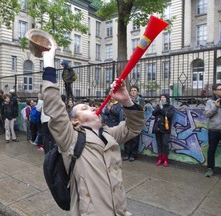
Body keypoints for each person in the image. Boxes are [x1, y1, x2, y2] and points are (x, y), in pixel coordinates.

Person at [41, 43, 144, 215]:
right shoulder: (70, 140)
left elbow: (134, 127)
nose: (90, 107)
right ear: (74, 121)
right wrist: (48, 60)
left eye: (89, 106)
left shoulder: (108, 134)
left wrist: (126, 101)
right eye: (83, 108)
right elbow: (54, 105)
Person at [123, 85, 145, 162]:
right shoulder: (127, 99)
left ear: (137, 92)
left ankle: (133, 155)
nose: (133, 92)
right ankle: (127, 154)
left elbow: (141, 110)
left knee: (135, 140)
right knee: (127, 138)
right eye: (132, 90)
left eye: (135, 90)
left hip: (136, 122)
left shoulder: (140, 100)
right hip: (127, 121)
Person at [152, 94, 174, 167]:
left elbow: (169, 116)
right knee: (159, 144)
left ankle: (165, 160)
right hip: (157, 128)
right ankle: (160, 159)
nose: (162, 98)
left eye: (164, 97)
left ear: (167, 99)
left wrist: (161, 109)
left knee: (165, 144)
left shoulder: (170, 107)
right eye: (161, 97)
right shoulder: (158, 106)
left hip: (165, 128)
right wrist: (159, 107)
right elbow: (154, 113)